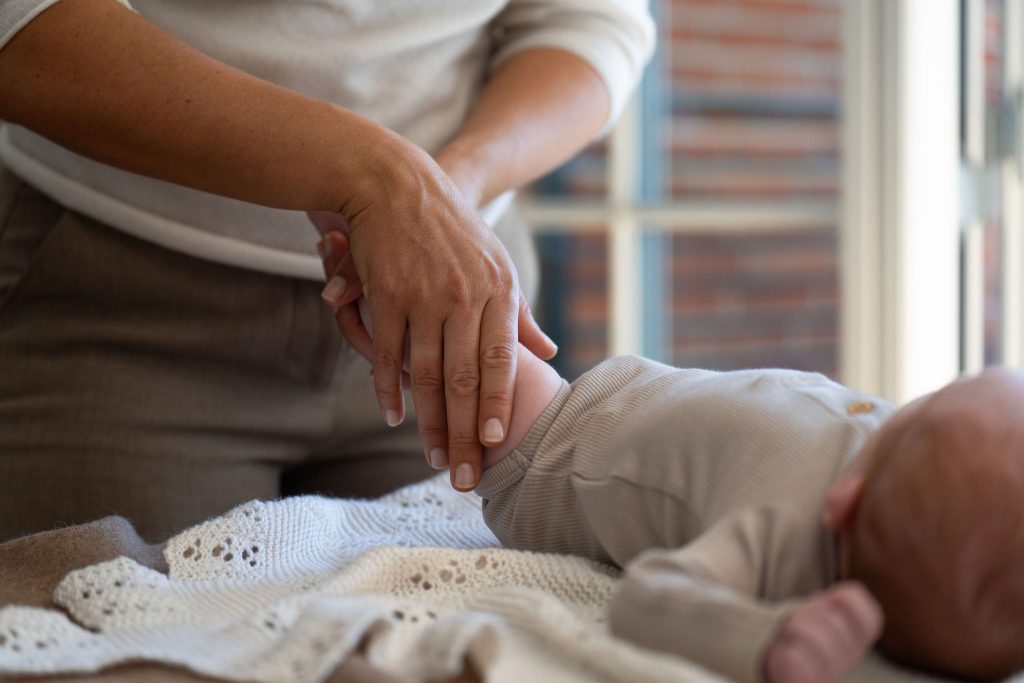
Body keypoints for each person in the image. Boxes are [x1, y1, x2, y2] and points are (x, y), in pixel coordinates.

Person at [0, 0, 654, 542]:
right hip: (118, 300)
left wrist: (447, 192)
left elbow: (591, 19)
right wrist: (375, 176)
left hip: (446, 312)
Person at [322, 228, 1024, 683]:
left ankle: (374, 256)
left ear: (848, 498)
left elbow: (653, 601)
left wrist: (768, 641)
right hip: (632, 389)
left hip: (559, 439)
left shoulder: (783, 531)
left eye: (916, 413)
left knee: (465, 330)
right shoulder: (923, 481)